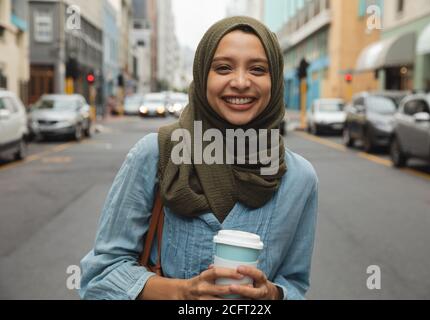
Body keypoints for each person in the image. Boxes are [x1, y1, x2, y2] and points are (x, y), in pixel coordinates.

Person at [79, 16, 318, 300]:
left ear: (275, 80)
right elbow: (100, 277)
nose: (240, 82)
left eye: (257, 69)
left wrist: (273, 295)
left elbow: (295, 284)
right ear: (203, 75)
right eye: (223, 68)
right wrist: (182, 293)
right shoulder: (155, 154)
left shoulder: (299, 178)